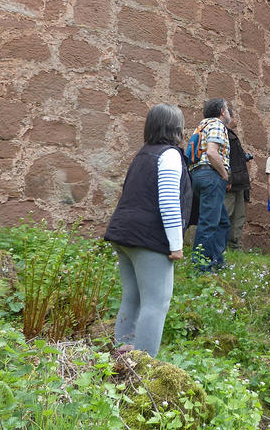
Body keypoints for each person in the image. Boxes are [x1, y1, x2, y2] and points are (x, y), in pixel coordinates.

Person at [104, 103, 193, 357]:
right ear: (176, 128)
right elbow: (168, 200)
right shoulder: (170, 155)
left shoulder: (142, 155)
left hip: (124, 234)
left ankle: (121, 358)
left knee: (131, 298)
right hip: (149, 239)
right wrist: (176, 244)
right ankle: (143, 366)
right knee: (156, 303)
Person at [187, 98, 231, 272]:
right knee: (209, 222)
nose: (228, 113)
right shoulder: (217, 125)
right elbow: (213, 153)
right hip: (211, 175)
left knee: (222, 222)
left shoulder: (201, 126)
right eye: (227, 109)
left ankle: (217, 261)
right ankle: (202, 267)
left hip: (197, 175)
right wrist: (224, 174)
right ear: (221, 111)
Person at [225, 108, 252, 251]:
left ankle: (235, 248)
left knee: (238, 217)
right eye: (234, 116)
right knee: (225, 214)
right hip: (231, 183)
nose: (236, 119)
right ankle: (219, 247)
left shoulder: (232, 136)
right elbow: (224, 159)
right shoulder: (223, 135)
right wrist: (228, 179)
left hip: (239, 183)